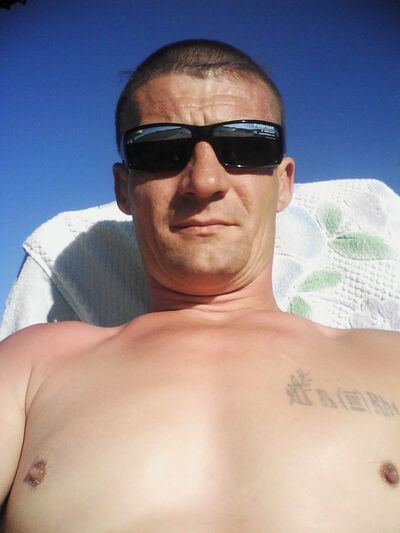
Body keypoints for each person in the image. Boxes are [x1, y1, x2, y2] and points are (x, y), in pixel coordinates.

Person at [1, 39, 400, 532]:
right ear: (124, 188)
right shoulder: (32, 364)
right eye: (161, 149)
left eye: (246, 145)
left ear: (284, 183)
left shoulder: (391, 363)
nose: (205, 180)